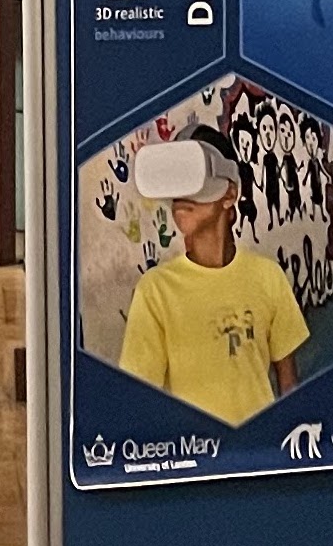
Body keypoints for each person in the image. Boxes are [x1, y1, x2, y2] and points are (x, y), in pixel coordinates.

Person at [117, 125, 308, 426]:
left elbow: (289, 385)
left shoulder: (269, 277)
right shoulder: (154, 291)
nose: (181, 195)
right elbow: (141, 403)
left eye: (192, 173)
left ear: (229, 192)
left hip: (258, 454)